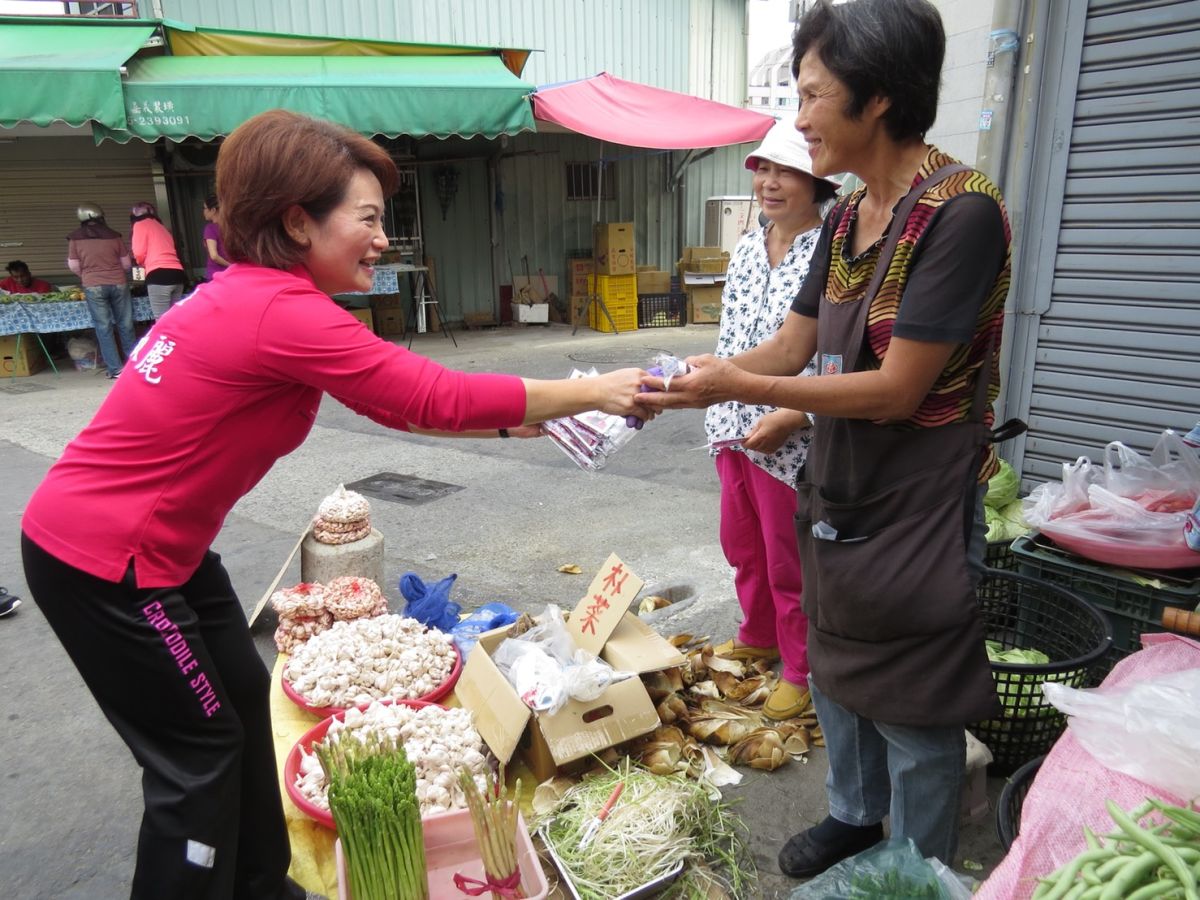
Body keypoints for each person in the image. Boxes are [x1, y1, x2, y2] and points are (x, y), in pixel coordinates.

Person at [21, 108, 650, 900]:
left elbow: (392, 401)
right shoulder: (276, 310)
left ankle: (260, 885)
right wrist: (595, 388)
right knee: (199, 757)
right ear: (296, 221)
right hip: (109, 564)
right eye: (368, 218)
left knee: (246, 703)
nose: (384, 238)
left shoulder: (256, 299)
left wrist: (513, 420)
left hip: (159, 550)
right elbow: (425, 389)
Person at [636, 0, 1012, 877]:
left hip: (919, 490)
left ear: (876, 98)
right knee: (838, 664)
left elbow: (896, 388)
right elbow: (792, 348)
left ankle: (915, 868)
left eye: (812, 96)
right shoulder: (847, 221)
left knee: (914, 699)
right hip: (839, 478)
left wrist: (744, 384)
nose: (798, 119)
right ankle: (852, 813)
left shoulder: (961, 214)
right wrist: (701, 381)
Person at [706, 120, 839, 721]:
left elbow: (839, 355)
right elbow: (733, 334)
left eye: (786, 171)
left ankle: (799, 666)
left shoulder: (833, 253)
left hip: (790, 437)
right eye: (764, 169)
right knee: (742, 546)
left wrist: (795, 412)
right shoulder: (745, 247)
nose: (770, 182)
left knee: (789, 559)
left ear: (818, 183)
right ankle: (757, 633)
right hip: (731, 421)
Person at [68, 202, 137, 379]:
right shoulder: (114, 236)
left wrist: (88, 275)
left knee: (104, 327)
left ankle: (116, 369)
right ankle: (134, 365)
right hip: (118, 283)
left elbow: (74, 266)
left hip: (93, 286)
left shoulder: (75, 239)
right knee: (126, 325)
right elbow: (127, 264)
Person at [130, 201, 187, 319]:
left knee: (161, 321)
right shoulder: (162, 227)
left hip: (158, 275)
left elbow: (139, 253)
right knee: (175, 318)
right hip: (178, 274)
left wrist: (140, 265)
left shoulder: (139, 225)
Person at [202, 194, 231, 281]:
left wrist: (231, 265)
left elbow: (214, 255)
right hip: (231, 275)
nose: (203, 211)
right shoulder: (231, 227)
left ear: (213, 210)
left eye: (204, 208)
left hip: (216, 275)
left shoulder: (210, 228)